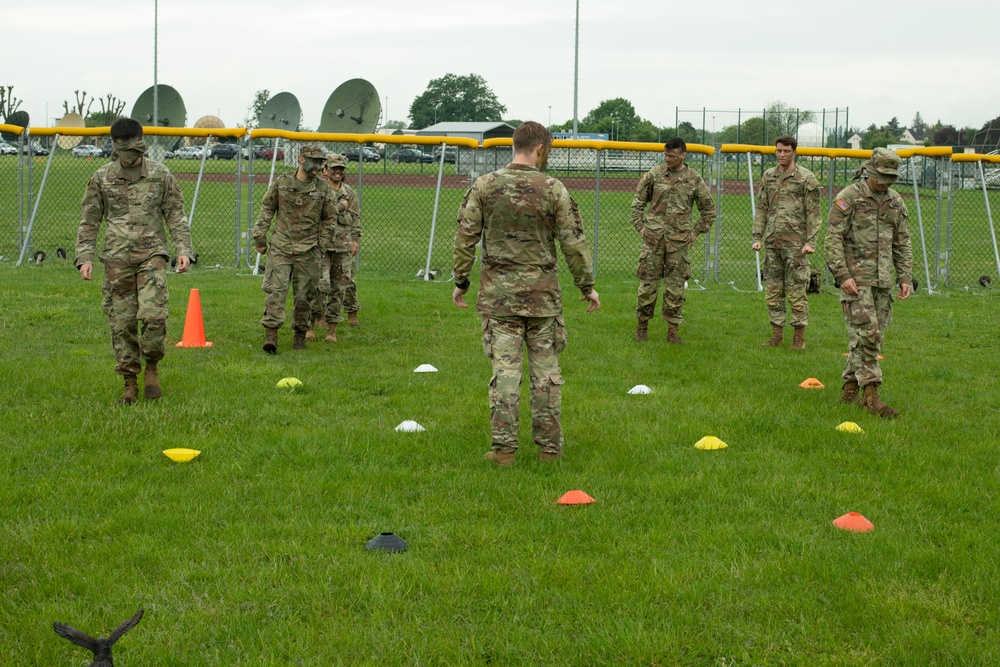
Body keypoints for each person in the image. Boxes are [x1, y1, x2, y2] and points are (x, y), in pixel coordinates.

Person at [453, 121, 600, 467]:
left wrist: (461, 281)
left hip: (499, 298)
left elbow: (465, 237)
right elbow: (573, 243)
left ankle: (504, 450)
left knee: (505, 373)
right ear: (540, 149)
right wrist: (587, 286)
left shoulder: (485, 186)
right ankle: (550, 449)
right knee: (546, 374)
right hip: (543, 299)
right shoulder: (553, 189)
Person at [75, 117, 194, 405]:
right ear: (115, 149)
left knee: (154, 317)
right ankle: (129, 382)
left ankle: (152, 366)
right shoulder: (102, 178)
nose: (130, 160)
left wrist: (184, 250)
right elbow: (89, 221)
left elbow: (175, 215)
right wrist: (85, 256)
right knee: (122, 324)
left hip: (152, 255)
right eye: (124, 154)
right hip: (116, 259)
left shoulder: (160, 174)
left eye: (135, 154)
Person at [826, 147, 913, 418]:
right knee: (869, 335)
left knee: (869, 337)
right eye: (882, 177)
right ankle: (872, 396)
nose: (886, 183)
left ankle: (850, 389)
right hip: (856, 280)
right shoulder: (849, 197)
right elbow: (832, 240)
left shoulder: (896, 201)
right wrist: (843, 276)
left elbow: (903, 241)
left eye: (891, 178)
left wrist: (905, 277)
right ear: (870, 171)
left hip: (883, 281)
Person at [252, 145, 337, 353]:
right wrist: (259, 238)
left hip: (309, 250)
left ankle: (300, 336)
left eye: (321, 162)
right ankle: (271, 334)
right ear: (300, 159)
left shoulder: (323, 189)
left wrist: (322, 244)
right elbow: (267, 209)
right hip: (281, 247)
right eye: (314, 161)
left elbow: (330, 219)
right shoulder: (283, 183)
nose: (318, 166)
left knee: (305, 296)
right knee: (275, 292)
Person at [630, 137, 715, 344]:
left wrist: (695, 233)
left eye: (672, 156)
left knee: (675, 288)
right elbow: (637, 203)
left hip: (678, 243)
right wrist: (641, 227)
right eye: (666, 155)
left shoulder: (694, 179)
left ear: (683, 155)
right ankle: (642, 327)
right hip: (653, 240)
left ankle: (673, 331)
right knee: (648, 286)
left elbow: (709, 211)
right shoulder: (654, 174)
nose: (668, 158)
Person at [751, 135, 821, 350]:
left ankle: (798, 338)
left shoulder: (806, 178)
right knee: (773, 291)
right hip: (773, 243)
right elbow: (762, 209)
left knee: (796, 291)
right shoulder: (768, 176)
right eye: (779, 151)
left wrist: (811, 242)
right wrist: (757, 237)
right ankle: (776, 334)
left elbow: (814, 213)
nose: (782, 155)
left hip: (796, 246)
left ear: (794, 152)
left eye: (786, 151)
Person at [307, 153, 361, 342]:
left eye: (340, 169)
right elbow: (315, 215)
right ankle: (311, 325)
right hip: (321, 246)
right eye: (333, 169)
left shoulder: (349, 193)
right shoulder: (318, 190)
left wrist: (355, 239)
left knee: (340, 288)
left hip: (343, 246)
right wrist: (339, 207)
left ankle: (332, 331)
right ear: (325, 171)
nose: (337, 172)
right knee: (320, 286)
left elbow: (356, 218)